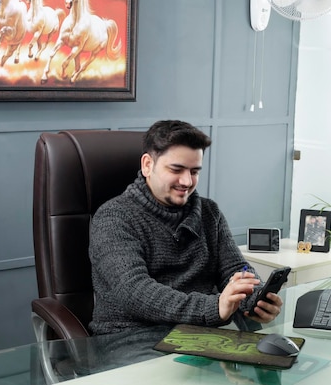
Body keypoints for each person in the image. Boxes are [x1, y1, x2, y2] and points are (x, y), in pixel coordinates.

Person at [88, 120, 283, 335]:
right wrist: (214, 307)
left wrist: (254, 298)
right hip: (131, 338)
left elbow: (236, 270)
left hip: (200, 335)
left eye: (195, 171)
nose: (187, 181)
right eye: (176, 169)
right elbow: (134, 291)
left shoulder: (209, 213)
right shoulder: (114, 217)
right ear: (147, 165)